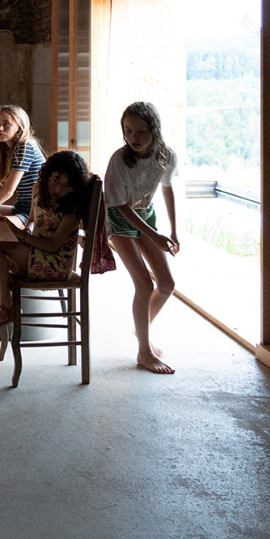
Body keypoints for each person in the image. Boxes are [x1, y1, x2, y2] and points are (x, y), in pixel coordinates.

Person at [0, 151, 91, 340]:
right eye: (55, 180)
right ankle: (0, 293)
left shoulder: (72, 208)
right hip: (36, 253)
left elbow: (53, 246)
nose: (58, 189)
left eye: (66, 186)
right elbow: (32, 220)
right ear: (47, 174)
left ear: (75, 187)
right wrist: (20, 232)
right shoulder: (38, 189)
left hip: (55, 265)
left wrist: (21, 236)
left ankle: (6, 306)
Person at [104, 101, 179, 375]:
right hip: (119, 217)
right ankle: (144, 352)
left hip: (146, 215)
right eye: (128, 131)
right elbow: (121, 206)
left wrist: (173, 230)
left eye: (140, 132)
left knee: (167, 284)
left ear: (154, 131)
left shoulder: (166, 156)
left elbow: (167, 188)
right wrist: (155, 236)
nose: (133, 137)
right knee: (144, 286)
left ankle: (142, 329)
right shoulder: (120, 160)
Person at [0, 104, 46, 228]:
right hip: (21, 208)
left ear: (19, 127)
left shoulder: (25, 146)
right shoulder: (11, 149)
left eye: (6, 124)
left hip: (34, 212)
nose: (0, 128)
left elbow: (8, 191)